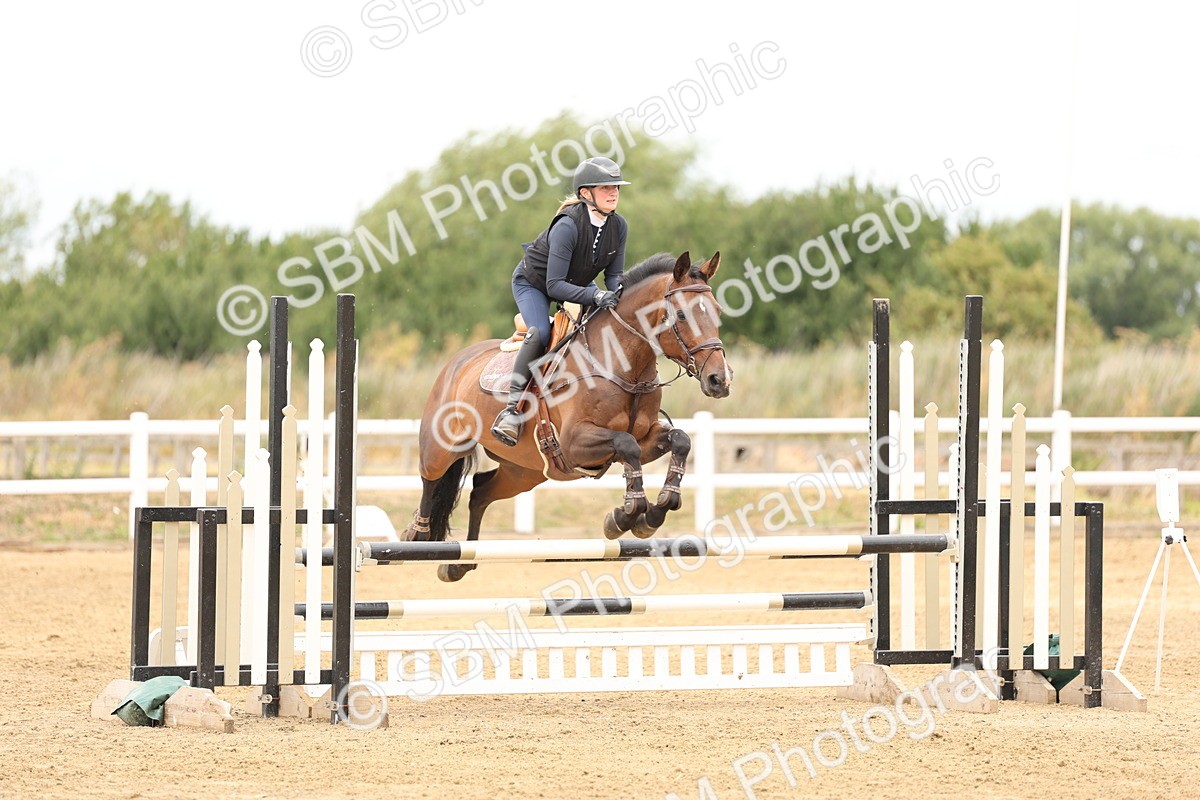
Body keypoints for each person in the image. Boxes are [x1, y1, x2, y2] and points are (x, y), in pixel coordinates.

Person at [490, 156, 631, 447]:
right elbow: (555, 285)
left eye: (615, 186)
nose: (613, 192)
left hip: (576, 283)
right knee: (540, 333)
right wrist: (596, 295)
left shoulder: (619, 227)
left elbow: (614, 276)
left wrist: (620, 295)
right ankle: (511, 411)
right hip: (535, 284)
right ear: (585, 193)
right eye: (604, 187)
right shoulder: (567, 226)